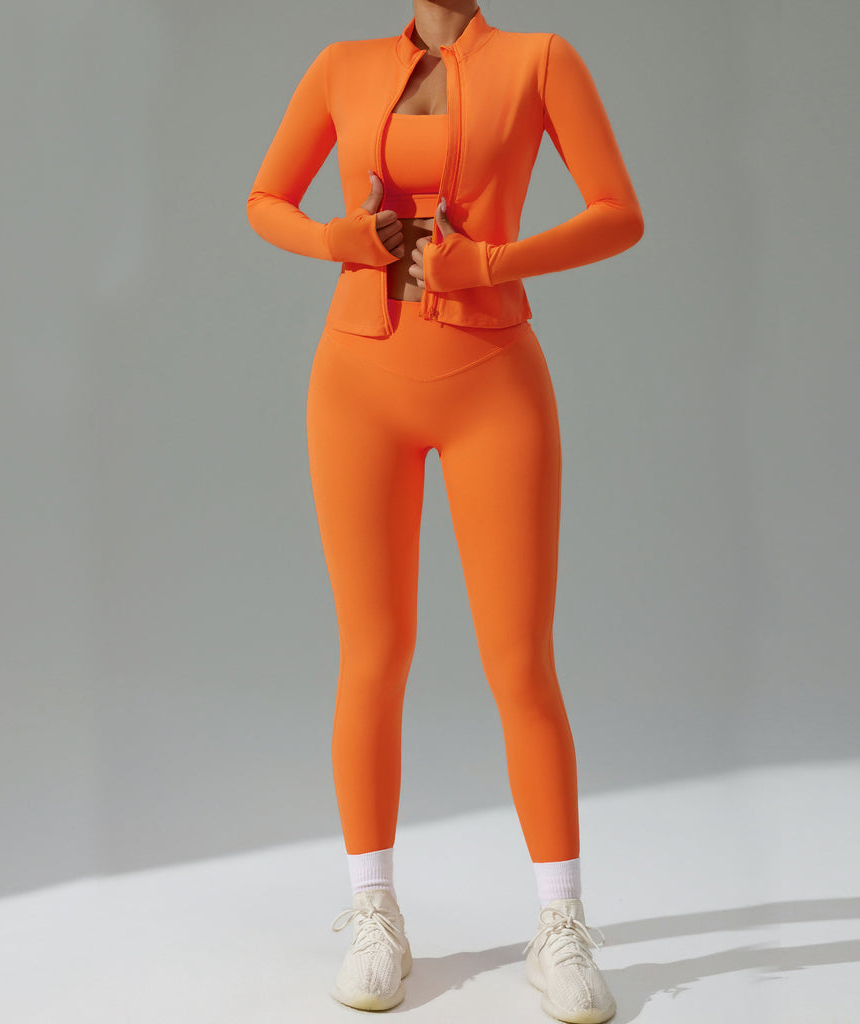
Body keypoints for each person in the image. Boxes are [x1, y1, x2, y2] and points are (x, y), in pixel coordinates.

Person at [246, 2, 643, 1020]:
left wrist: (492, 262)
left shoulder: (540, 60)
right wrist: (337, 238)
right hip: (355, 383)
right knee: (372, 653)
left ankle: (560, 923)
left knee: (519, 663)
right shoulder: (340, 65)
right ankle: (374, 912)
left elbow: (618, 212)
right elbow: (264, 199)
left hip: (492, 379)